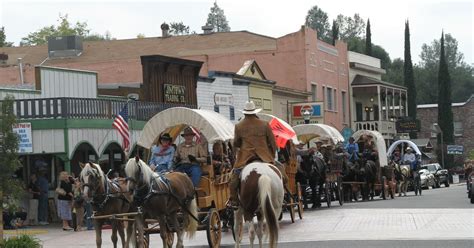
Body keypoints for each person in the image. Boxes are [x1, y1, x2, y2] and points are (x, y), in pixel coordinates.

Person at [229, 101, 277, 207]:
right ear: (255, 112)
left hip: (245, 158)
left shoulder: (239, 126)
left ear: (244, 113)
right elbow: (273, 143)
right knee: (282, 175)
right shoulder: (265, 124)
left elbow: (236, 143)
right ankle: (281, 196)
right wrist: (272, 156)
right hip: (264, 157)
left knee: (233, 181)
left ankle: (235, 201)